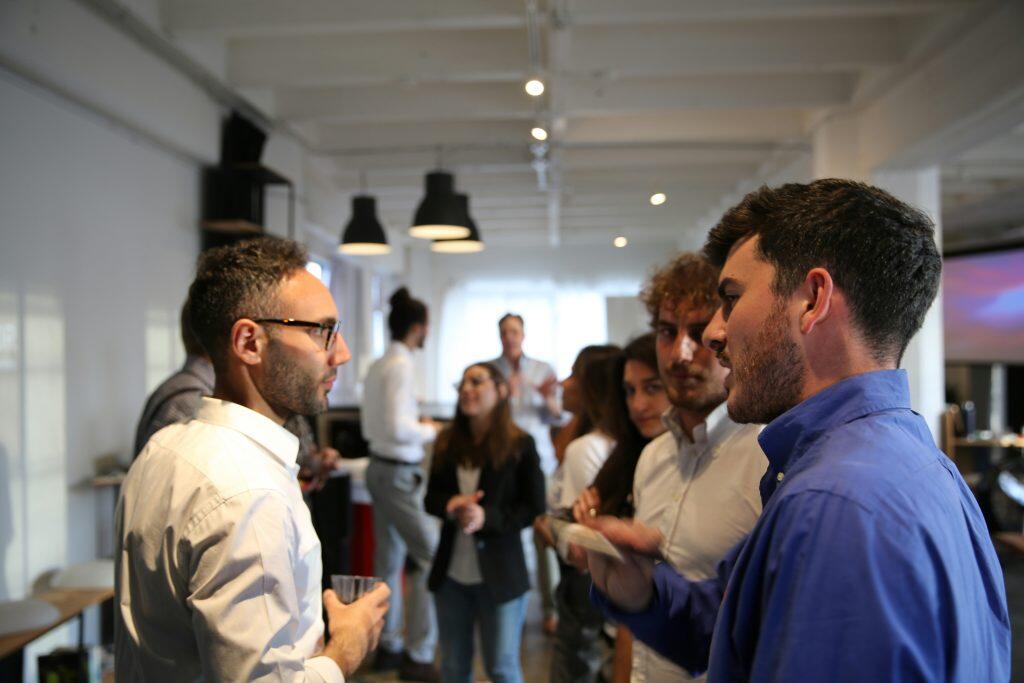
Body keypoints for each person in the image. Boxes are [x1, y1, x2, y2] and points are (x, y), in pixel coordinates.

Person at [583, 180, 1011, 681]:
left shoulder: (836, 501)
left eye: (731, 298)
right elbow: (738, 628)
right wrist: (645, 592)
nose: (714, 333)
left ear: (812, 300)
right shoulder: (914, 466)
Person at [115, 237, 390, 682]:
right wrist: (348, 647)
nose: (341, 353)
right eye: (321, 330)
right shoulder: (248, 493)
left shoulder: (162, 449)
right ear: (249, 341)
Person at [574, 254, 767, 683]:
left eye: (698, 333)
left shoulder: (767, 456)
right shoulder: (653, 458)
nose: (680, 353)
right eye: (667, 332)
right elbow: (638, 617)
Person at [133, 299, 340, 489]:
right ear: (246, 341)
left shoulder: (182, 391)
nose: (340, 354)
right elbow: (204, 489)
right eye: (317, 332)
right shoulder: (189, 402)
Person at [424, 362, 546, 683]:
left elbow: (534, 507)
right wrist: (450, 504)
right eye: (462, 383)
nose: (467, 389)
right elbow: (431, 498)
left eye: (477, 382)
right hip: (451, 576)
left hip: (502, 576)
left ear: (501, 390)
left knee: (502, 669)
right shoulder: (447, 441)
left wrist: (486, 517)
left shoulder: (521, 444)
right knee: (452, 668)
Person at [361, 287, 440, 681]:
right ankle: (419, 653)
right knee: (430, 554)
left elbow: (373, 424)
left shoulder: (379, 364)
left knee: (388, 561)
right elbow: (396, 427)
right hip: (396, 472)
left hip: (381, 468)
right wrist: (429, 429)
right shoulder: (401, 365)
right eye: (426, 326)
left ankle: (389, 646)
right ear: (417, 327)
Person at [550, 344, 624, 683]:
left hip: (584, 588)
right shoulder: (604, 442)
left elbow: (579, 535)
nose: (564, 383)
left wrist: (547, 527)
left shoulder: (585, 449)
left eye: (574, 376)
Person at [490, 312, 563, 634]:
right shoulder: (490, 372)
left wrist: (547, 397)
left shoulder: (543, 370)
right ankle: (502, 606)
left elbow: (558, 417)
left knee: (542, 532)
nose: (510, 337)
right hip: (502, 460)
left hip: (537, 462)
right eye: (505, 332)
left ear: (523, 334)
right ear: (499, 336)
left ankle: (551, 609)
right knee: (503, 532)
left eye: (515, 331)